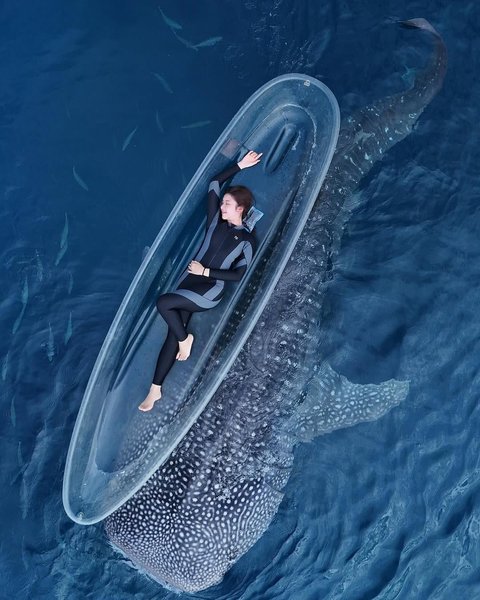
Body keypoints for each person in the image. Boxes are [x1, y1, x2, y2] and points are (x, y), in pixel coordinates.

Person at [139, 150, 263, 411]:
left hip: (209, 291)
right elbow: (215, 183)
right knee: (174, 329)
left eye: (227, 204)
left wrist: (205, 272)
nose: (222, 206)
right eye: (223, 203)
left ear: (240, 209)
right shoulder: (214, 221)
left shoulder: (248, 241)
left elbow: (239, 275)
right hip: (188, 283)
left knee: (164, 303)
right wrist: (240, 165)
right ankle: (155, 389)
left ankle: (186, 340)